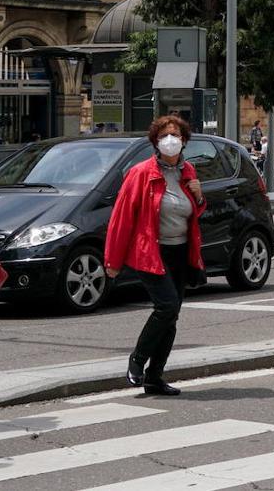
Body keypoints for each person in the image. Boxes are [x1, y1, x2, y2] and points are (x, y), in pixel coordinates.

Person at [105, 116, 207, 397]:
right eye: (164, 136)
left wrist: (199, 197)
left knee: (171, 316)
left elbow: (192, 212)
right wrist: (112, 261)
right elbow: (122, 218)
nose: (170, 140)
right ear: (155, 141)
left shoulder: (188, 171)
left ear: (184, 141)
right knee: (167, 307)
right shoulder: (141, 173)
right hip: (151, 251)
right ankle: (137, 360)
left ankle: (154, 377)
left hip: (181, 252)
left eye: (176, 135)